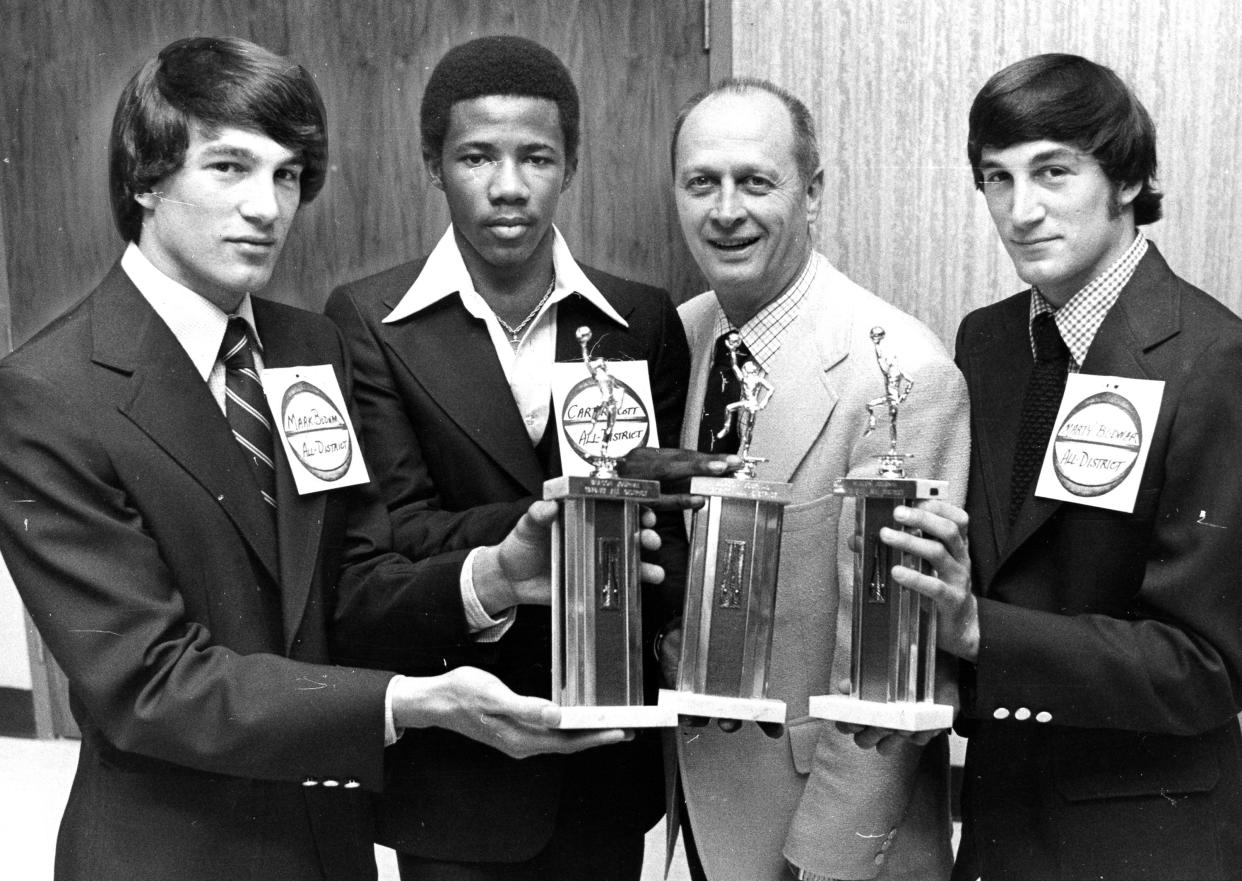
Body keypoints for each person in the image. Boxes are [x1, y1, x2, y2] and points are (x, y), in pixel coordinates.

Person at [0, 36, 651, 881]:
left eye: (287, 173)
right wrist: (410, 700)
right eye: (229, 167)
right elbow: (148, 683)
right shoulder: (48, 391)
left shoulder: (304, 347)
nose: (267, 206)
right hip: (172, 851)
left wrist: (493, 574)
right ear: (146, 178)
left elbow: (350, 580)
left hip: (329, 845)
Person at [324, 35, 702, 881]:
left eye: (535, 156)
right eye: (475, 156)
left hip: (602, 763)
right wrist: (576, 524)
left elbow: (670, 537)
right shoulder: (368, 319)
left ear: (571, 164)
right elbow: (396, 535)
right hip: (453, 771)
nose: (507, 186)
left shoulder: (640, 319)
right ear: (433, 165)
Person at [879, 54, 1242, 880]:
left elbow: (1209, 668)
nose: (1021, 210)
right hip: (999, 822)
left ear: (1126, 179)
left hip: (1148, 838)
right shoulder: (990, 339)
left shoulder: (1215, 359)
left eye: (1052, 172)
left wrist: (980, 630)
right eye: (996, 179)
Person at [664, 77, 970, 881]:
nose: (726, 210)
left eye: (756, 181)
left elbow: (889, 673)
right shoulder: (678, 339)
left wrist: (823, 862)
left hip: (825, 845)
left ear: (814, 192)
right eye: (702, 183)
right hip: (698, 822)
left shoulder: (899, 373)